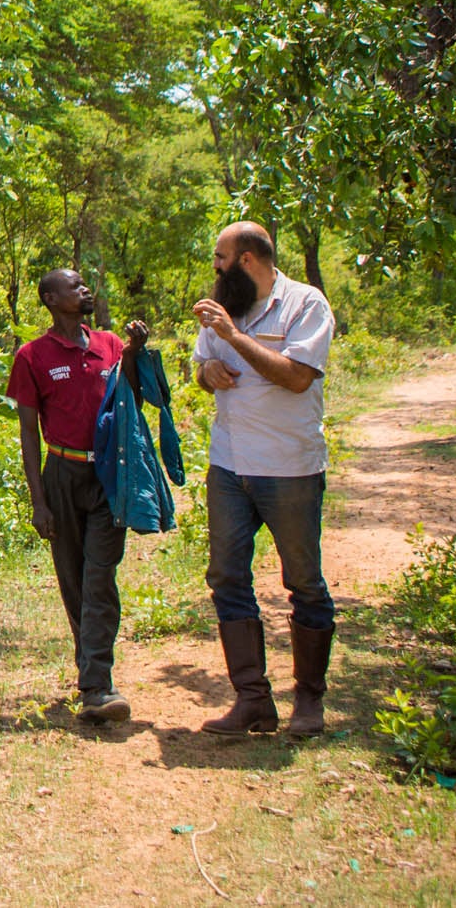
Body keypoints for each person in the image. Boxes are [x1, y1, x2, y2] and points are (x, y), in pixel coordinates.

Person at [192, 220, 336, 738]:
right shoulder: (222, 308)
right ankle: (252, 699)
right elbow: (201, 367)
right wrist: (207, 372)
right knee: (228, 578)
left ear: (248, 259)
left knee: (304, 583)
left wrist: (235, 336)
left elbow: (298, 377)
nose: (216, 268)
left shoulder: (306, 305)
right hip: (230, 464)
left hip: (289, 466)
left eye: (220, 259)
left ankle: (309, 701)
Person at [10, 268, 149, 724]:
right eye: (75, 286)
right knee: (74, 581)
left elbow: (131, 400)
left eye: (85, 284)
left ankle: (97, 686)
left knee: (99, 578)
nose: (85, 289)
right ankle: (91, 668)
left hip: (108, 473)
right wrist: (38, 501)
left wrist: (134, 355)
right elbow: (28, 433)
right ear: (51, 299)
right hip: (62, 475)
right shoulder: (33, 356)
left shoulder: (109, 344)